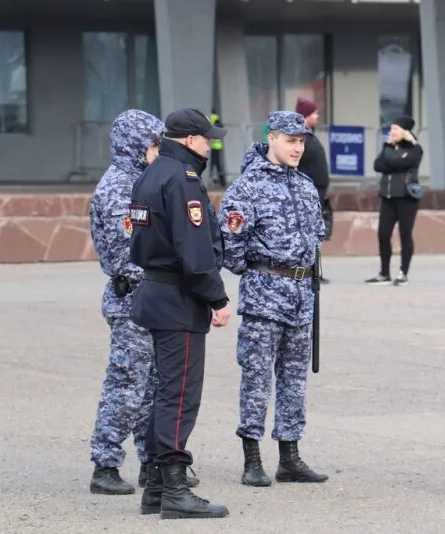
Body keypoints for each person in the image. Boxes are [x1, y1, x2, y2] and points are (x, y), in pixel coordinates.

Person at [128, 108, 232, 519]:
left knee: (165, 392)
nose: (211, 144)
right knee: (180, 394)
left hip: (155, 291)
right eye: (207, 138)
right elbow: (195, 252)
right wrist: (218, 299)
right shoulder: (182, 179)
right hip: (178, 298)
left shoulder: (150, 173)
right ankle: (174, 489)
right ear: (190, 139)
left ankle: (155, 487)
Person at [219, 110, 328, 488]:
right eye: (290, 140)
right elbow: (230, 247)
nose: (297, 147)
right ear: (272, 139)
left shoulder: (305, 185)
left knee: (295, 379)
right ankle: (252, 457)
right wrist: (260, 270)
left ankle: (290, 456)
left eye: (301, 141)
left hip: (301, 294)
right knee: (256, 377)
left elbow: (317, 235)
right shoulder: (246, 187)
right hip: (265, 293)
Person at [89, 109, 167, 495]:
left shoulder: (141, 181)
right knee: (127, 385)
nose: (158, 150)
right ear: (135, 145)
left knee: (152, 387)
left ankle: (151, 462)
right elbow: (128, 252)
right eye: (153, 144)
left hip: (150, 298)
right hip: (131, 300)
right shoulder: (119, 187)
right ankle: (105, 464)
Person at [364, 115, 423, 286]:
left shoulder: (415, 148)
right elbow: (378, 165)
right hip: (387, 197)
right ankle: (384, 273)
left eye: (395, 129)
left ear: (404, 131)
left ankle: (402, 273)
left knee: (405, 234)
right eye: (391, 129)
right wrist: (391, 156)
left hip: (406, 198)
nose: (392, 132)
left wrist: (390, 158)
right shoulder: (388, 146)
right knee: (383, 234)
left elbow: (396, 163)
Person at [295, 96, 332, 283]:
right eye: (315, 113)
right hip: (309, 192)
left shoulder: (308, 134)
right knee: (309, 233)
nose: (317, 116)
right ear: (306, 115)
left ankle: (314, 270)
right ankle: (310, 270)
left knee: (315, 232)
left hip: (317, 191)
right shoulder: (300, 138)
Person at [209, 109, 226, 187]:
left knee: (212, 164)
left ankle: (215, 179)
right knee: (217, 164)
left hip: (212, 146)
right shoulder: (216, 118)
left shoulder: (210, 117)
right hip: (217, 146)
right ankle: (221, 180)